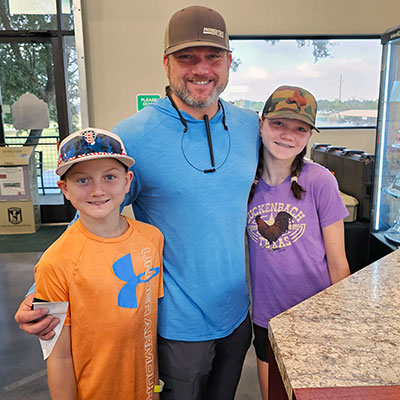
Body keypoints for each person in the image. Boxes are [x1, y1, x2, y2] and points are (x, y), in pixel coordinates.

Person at [15, 6, 260, 399]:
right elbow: (97, 210)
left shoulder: (250, 126)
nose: (201, 69)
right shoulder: (135, 136)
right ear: (166, 64)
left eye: (213, 56)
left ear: (229, 62)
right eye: (186, 57)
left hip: (237, 315)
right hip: (177, 326)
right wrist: (39, 292)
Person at [33, 128, 164, 399]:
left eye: (110, 177)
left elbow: (146, 325)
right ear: (64, 189)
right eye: (83, 180)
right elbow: (58, 357)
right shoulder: (54, 262)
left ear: (127, 181)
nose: (98, 190)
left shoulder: (152, 239)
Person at [246, 85, 350, 399]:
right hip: (267, 315)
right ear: (262, 123)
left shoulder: (320, 180)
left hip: (314, 313)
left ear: (308, 136)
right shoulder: (243, 182)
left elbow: (337, 260)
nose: (288, 135)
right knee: (273, 393)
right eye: (279, 123)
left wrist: (340, 319)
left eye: (300, 128)